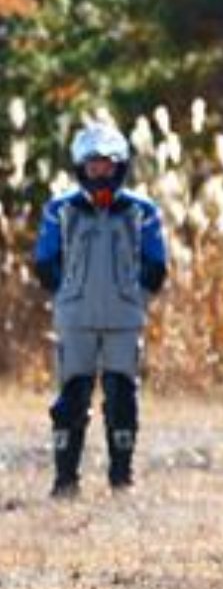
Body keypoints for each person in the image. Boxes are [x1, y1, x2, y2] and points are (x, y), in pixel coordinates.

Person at [33, 122, 169, 497]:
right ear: (80, 166)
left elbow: (157, 264)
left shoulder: (141, 210)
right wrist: (67, 292)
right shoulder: (60, 209)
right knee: (71, 397)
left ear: (121, 164)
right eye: (92, 164)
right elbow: (45, 261)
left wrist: (135, 295)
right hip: (75, 318)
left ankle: (121, 478)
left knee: (122, 395)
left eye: (107, 164)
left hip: (124, 319)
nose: (100, 171)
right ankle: (65, 480)